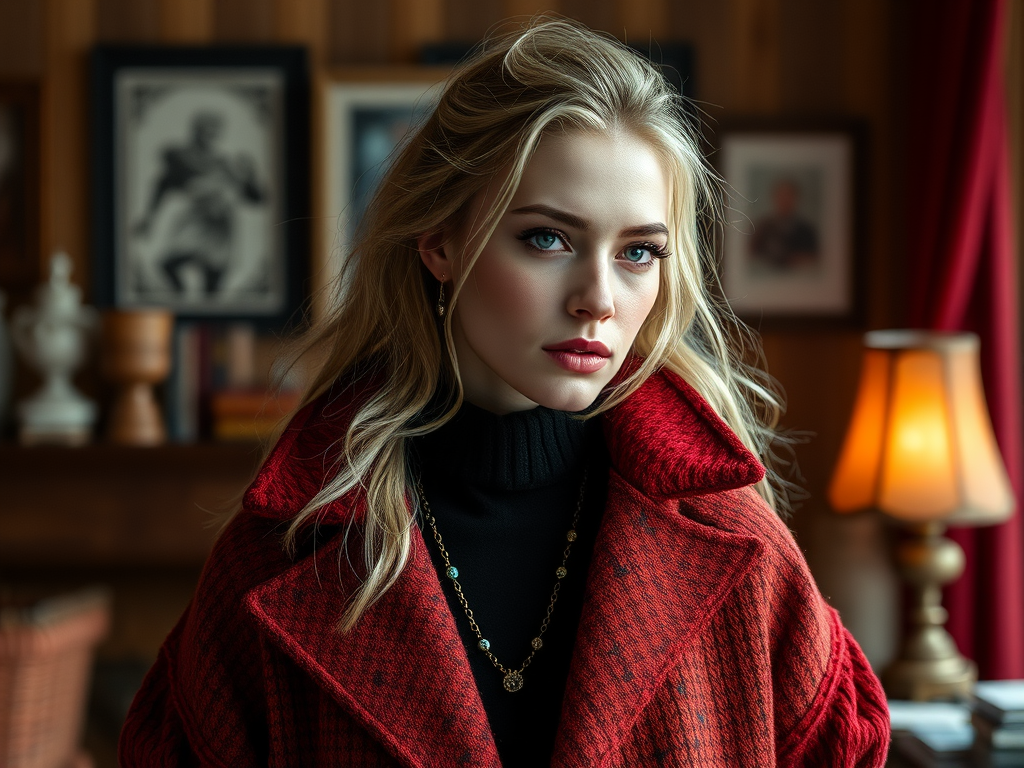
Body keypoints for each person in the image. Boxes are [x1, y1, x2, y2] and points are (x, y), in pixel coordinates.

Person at [120, 18, 889, 768]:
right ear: (440, 242)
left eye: (639, 252)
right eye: (547, 239)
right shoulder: (282, 556)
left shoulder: (734, 539)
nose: (599, 298)